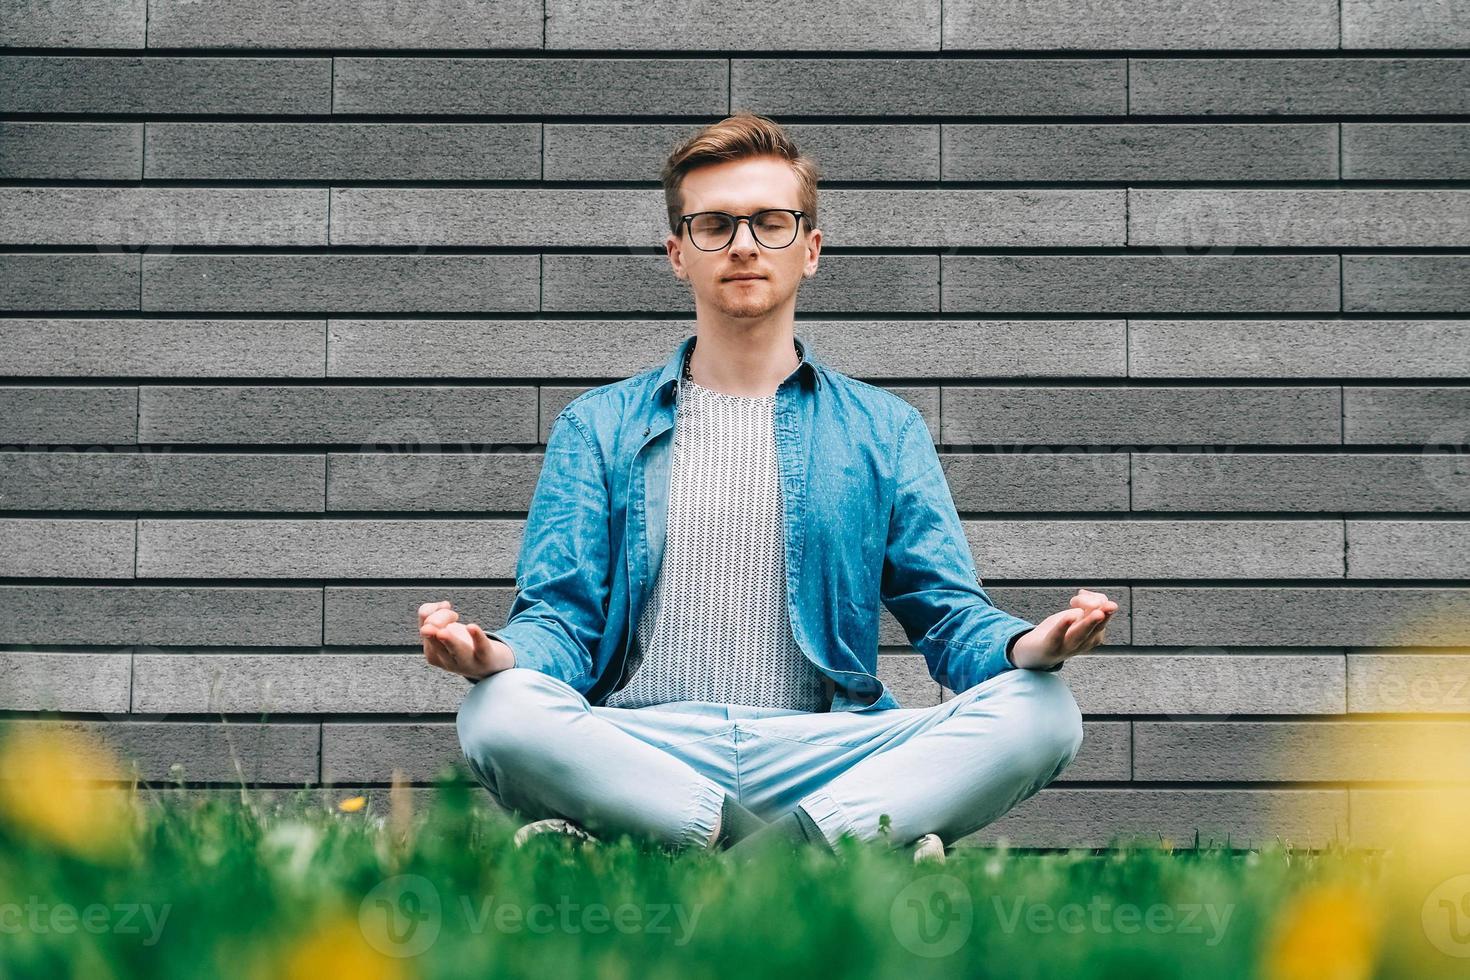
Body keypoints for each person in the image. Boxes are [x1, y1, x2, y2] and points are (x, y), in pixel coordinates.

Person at [424, 112, 1117, 862]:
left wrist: (1024, 644)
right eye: (715, 224)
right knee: (498, 711)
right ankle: (825, 856)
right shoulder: (599, 425)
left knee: (1043, 710)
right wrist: (496, 655)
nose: (745, 244)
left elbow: (947, 615)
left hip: (823, 751)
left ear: (810, 249)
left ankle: (690, 851)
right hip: (647, 744)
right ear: (677, 253)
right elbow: (558, 619)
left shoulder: (884, 428)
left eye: (771, 222)